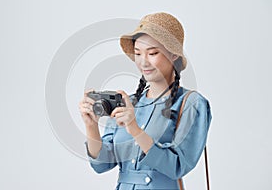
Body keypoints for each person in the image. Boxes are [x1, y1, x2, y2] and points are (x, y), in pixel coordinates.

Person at [79, 12, 212, 190]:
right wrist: (91, 126)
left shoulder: (192, 104)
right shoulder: (128, 103)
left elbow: (177, 166)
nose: (143, 62)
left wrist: (134, 128)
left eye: (152, 53)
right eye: (138, 53)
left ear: (174, 55)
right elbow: (102, 165)